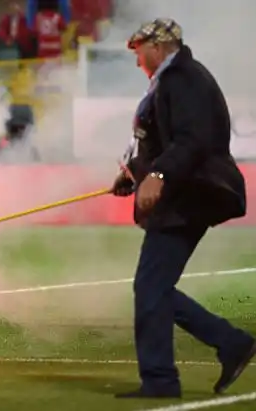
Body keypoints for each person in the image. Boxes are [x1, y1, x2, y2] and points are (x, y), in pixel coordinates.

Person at [111, 18, 256, 399]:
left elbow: (194, 139)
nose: (137, 58)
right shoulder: (174, 79)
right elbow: (168, 141)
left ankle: (163, 379)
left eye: (140, 49)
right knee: (153, 288)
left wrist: (157, 174)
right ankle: (230, 344)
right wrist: (134, 174)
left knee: (150, 287)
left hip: (188, 195)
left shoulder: (183, 78)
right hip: (185, 194)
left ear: (157, 47)